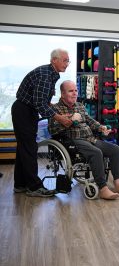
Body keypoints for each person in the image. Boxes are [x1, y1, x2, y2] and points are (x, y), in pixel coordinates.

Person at [48, 80, 119, 200]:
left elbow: (90, 121)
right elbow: (53, 130)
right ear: (62, 94)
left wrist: (101, 127)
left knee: (114, 149)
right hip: (72, 141)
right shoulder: (56, 109)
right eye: (70, 91)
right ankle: (103, 189)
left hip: (90, 138)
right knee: (96, 152)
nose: (74, 93)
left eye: (76, 90)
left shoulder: (79, 106)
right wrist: (71, 119)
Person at [12, 49, 73, 197]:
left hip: (27, 110)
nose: (67, 64)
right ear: (54, 60)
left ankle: (20, 184)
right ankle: (34, 187)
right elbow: (40, 104)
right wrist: (59, 118)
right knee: (30, 148)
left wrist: (58, 112)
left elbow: (43, 101)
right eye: (65, 60)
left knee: (24, 148)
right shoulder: (45, 76)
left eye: (68, 61)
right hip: (24, 111)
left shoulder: (51, 74)